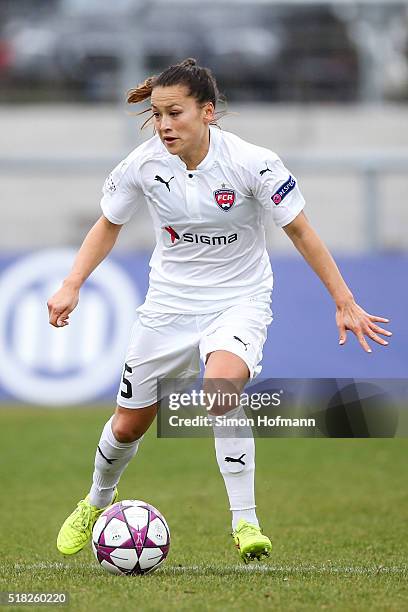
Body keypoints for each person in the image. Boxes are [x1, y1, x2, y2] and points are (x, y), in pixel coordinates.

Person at [48, 58, 391, 564]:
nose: (164, 125)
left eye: (175, 113)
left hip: (238, 301)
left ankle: (245, 521)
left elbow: (300, 229)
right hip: (167, 308)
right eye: (158, 114)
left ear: (207, 112)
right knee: (126, 426)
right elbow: (108, 224)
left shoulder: (254, 163)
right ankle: (97, 501)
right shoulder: (144, 165)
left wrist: (344, 299)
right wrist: (72, 283)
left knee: (220, 389)